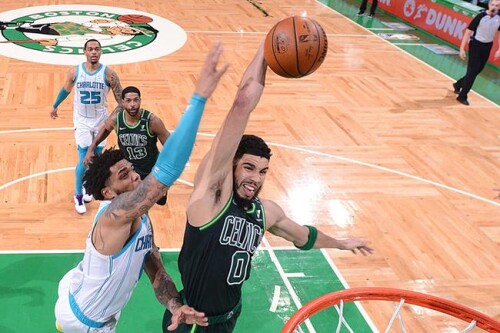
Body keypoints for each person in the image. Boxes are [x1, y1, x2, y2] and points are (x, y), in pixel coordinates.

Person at [162, 44, 373, 333]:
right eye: (248, 168)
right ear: (231, 165)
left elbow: (303, 237)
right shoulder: (211, 197)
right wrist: (266, 47)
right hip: (193, 321)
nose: (256, 179)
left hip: (229, 318)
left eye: (262, 172)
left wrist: (340, 243)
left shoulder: (265, 213)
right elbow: (242, 104)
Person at [54, 42, 229, 333]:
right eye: (124, 174)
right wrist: (198, 99)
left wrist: (175, 305)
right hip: (83, 321)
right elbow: (165, 173)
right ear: (108, 193)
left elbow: (155, 270)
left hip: (80, 289)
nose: (135, 177)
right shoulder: (116, 213)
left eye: (132, 169)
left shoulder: (141, 221)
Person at [50, 38, 124, 214]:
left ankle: (88, 186)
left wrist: (111, 120)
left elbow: (121, 101)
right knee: (84, 156)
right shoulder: (75, 72)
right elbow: (65, 90)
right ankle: (78, 195)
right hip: (82, 121)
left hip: (101, 121)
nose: (93, 52)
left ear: (101, 51)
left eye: (97, 49)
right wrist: (55, 105)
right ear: (84, 51)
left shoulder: (109, 74)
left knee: (97, 158)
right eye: (90, 49)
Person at [83, 86, 170, 205]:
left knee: (159, 201)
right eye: (128, 101)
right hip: (130, 172)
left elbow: (170, 145)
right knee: (133, 204)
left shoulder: (152, 121)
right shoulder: (116, 120)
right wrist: (91, 148)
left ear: (140, 100)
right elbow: (105, 130)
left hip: (152, 171)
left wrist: (166, 169)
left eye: (136, 100)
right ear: (122, 102)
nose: (133, 104)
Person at [453, 0, 500, 105]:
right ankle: (462, 96)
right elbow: (468, 32)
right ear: (489, 5)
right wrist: (461, 49)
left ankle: (458, 84)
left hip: (487, 46)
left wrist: (499, 49)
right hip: (476, 45)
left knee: (477, 71)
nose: (494, 7)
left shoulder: (499, 18)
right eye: (492, 4)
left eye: (497, 5)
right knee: (472, 70)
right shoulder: (480, 16)